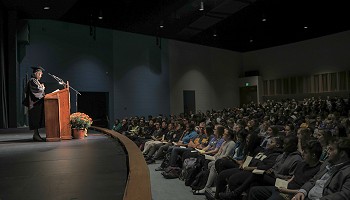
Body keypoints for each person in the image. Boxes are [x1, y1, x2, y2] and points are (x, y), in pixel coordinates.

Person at [23, 66, 46, 142]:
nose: (41, 76)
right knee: (35, 119)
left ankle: (36, 135)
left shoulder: (35, 81)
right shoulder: (32, 81)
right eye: (40, 74)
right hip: (34, 104)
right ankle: (36, 135)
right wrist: (42, 88)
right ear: (36, 73)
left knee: (37, 120)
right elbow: (37, 91)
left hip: (35, 104)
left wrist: (41, 87)